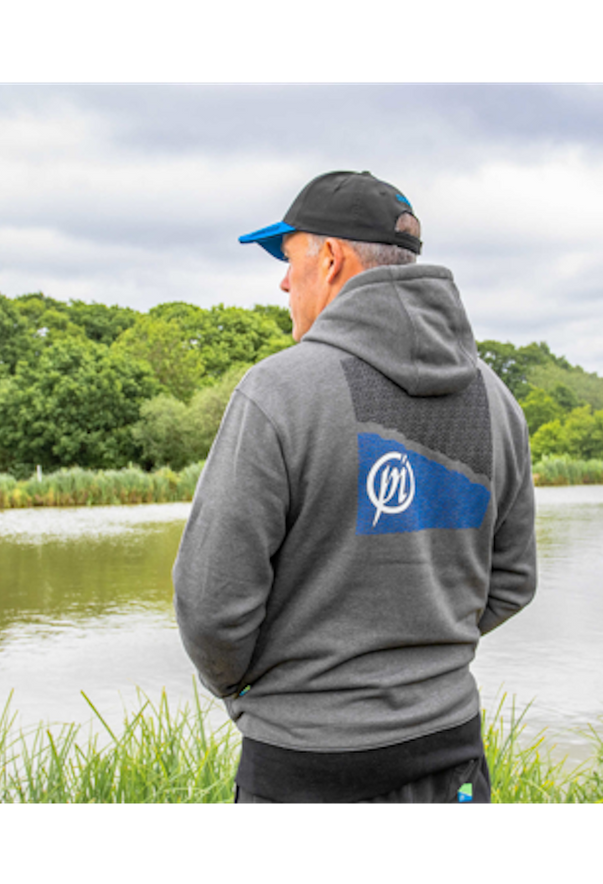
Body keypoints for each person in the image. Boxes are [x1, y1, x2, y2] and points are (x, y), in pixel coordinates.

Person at [172, 170, 537, 806]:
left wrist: (257, 691)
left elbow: (210, 607)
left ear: (333, 259)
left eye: (290, 260)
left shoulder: (278, 391)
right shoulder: (496, 399)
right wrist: (421, 661)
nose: (285, 282)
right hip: (451, 753)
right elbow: (512, 580)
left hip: (306, 764)